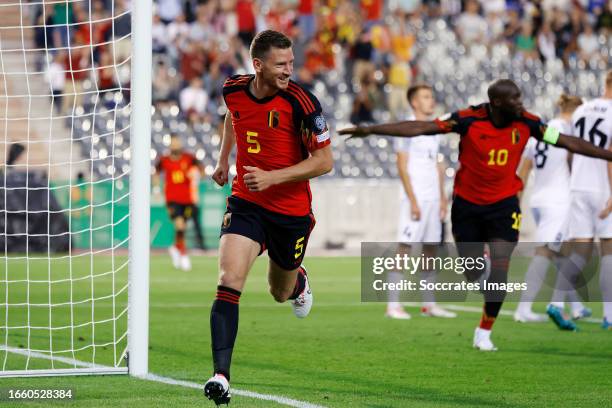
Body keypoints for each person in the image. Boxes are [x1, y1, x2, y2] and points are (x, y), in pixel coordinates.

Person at [340, 78, 612, 351]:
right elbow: (421, 127)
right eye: (514, 100)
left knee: (501, 269)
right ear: (496, 103)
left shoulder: (528, 123)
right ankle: (482, 282)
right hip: (467, 207)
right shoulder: (468, 119)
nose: (520, 103)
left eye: (520, 98)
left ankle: (484, 331)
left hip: (504, 207)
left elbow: (567, 142)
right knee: (473, 271)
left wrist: (608, 155)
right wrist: (372, 129)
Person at [204, 30, 333, 405]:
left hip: (290, 214)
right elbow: (234, 117)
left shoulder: (303, 103)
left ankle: (298, 283)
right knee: (229, 280)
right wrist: (223, 160)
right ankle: (221, 376)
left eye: (291, 63)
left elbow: (325, 162)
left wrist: (272, 178)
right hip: (246, 202)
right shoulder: (233, 88)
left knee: (279, 291)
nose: (288, 70)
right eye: (281, 64)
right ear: (257, 65)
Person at [513, 94, 590, 323]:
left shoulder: (539, 132)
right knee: (545, 252)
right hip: (559, 200)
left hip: (538, 200)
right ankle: (523, 309)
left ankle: (576, 307)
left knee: (561, 254)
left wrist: (517, 201)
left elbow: (524, 170)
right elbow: (574, 164)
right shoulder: (568, 131)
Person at [547, 70, 612, 331]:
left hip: (578, 187)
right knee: (608, 252)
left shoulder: (581, 111)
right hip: (603, 188)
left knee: (580, 253)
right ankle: (609, 315)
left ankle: (555, 302)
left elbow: (572, 150)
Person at [387, 84, 456, 320]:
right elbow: (402, 166)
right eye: (426, 97)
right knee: (404, 249)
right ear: (414, 102)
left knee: (430, 250)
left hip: (433, 199)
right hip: (414, 198)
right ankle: (392, 305)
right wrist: (413, 199)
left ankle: (429, 304)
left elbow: (437, 166)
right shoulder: (406, 128)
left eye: (432, 97)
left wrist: (443, 198)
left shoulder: (434, 129)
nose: (431, 101)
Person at [153, 133, 204, 271]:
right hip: (172, 199)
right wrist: (157, 189)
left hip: (187, 199)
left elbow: (201, 169)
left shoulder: (189, 158)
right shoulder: (164, 160)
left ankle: (175, 248)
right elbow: (156, 173)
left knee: (182, 228)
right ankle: (183, 254)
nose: (175, 145)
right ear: (170, 144)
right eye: (173, 142)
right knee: (180, 225)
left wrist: (196, 176)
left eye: (177, 142)